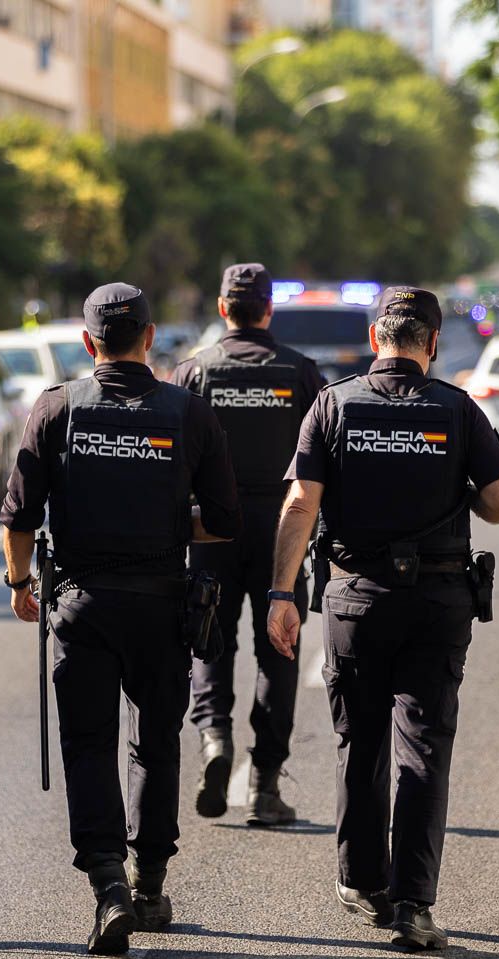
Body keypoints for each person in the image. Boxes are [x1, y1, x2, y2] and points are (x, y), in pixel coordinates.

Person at [266, 285, 499, 951]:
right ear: (432, 343)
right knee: (424, 747)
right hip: (438, 602)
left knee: (361, 742)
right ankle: (414, 907)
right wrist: (464, 491)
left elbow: (300, 504)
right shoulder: (456, 409)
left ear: (375, 339)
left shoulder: (334, 404)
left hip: (357, 598)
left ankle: (362, 883)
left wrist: (281, 594)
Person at [1, 282, 240, 955]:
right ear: (150, 336)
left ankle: (108, 884)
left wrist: (18, 582)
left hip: (81, 604)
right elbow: (225, 521)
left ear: (88, 342)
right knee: (155, 743)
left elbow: (19, 516)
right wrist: (170, 522)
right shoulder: (188, 412)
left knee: (87, 744)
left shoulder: (56, 408)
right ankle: (150, 884)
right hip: (162, 604)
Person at [170, 263, 325, 826]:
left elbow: (171, 456)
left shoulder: (193, 372)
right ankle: (264, 785)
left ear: (222, 309)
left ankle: (215, 739)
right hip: (282, 530)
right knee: (279, 649)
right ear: (268, 309)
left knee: (209, 641)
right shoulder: (300, 373)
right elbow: (323, 460)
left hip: (210, 529)